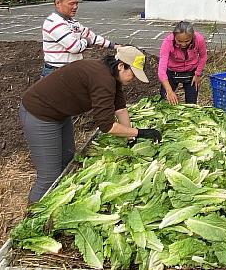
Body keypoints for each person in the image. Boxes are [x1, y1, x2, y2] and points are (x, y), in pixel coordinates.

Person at [19, 46, 162, 203]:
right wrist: (139, 133)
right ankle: (33, 218)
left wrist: (130, 138)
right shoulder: (103, 79)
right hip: (39, 114)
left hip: (60, 114)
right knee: (49, 176)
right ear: (121, 66)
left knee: (68, 161)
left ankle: (54, 205)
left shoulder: (111, 75)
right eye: (133, 74)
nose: (133, 78)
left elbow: (120, 107)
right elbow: (106, 126)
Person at [41, 0, 117, 77]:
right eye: (71, 4)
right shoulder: (54, 23)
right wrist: (87, 41)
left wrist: (114, 46)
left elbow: (91, 36)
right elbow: (75, 47)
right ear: (58, 3)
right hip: (57, 73)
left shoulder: (72, 22)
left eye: (77, 3)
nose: (75, 7)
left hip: (71, 70)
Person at [158, 21, 207, 105]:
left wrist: (197, 74)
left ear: (192, 36)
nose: (183, 44)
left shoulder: (199, 39)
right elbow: (161, 70)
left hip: (191, 72)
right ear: (174, 36)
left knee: (191, 104)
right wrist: (169, 91)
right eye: (179, 41)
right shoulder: (168, 42)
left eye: (187, 41)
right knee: (165, 100)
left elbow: (203, 56)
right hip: (172, 72)